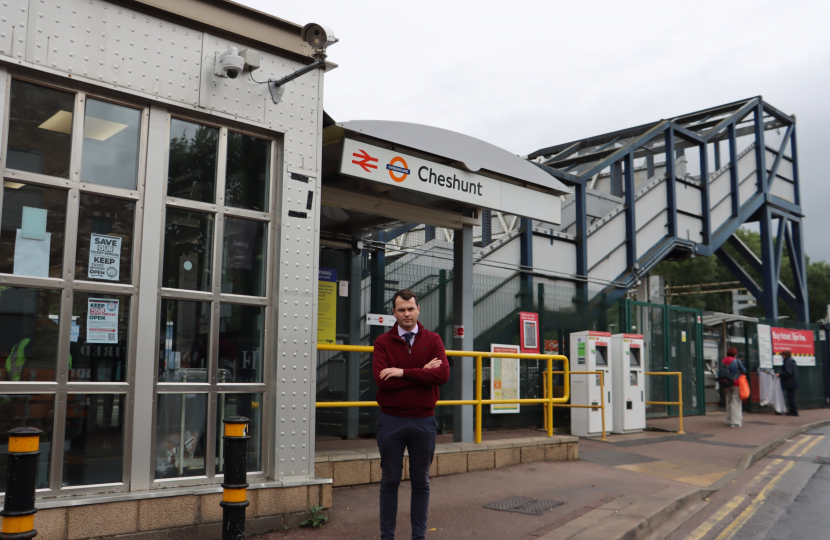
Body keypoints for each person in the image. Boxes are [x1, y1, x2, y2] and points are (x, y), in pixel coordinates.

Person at [372, 289, 450, 540]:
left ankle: (419, 537)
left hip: (423, 420)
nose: (406, 313)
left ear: (418, 310)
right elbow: (383, 382)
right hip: (391, 421)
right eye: (401, 309)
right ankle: (387, 537)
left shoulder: (434, 339)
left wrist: (402, 372)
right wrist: (421, 372)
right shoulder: (383, 343)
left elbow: (442, 376)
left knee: (421, 482)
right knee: (389, 481)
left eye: (410, 308)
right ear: (393, 313)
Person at [722, 347, 746, 427]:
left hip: (727, 383)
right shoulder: (736, 361)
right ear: (735, 354)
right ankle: (735, 422)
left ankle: (729, 420)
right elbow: (744, 370)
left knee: (729, 401)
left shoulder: (723, 361)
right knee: (736, 402)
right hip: (736, 383)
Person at [777, 350, 799, 416]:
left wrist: (780, 374)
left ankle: (794, 411)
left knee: (790, 397)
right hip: (793, 382)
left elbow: (788, 373)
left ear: (784, 355)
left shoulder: (787, 362)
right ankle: (793, 410)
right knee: (791, 396)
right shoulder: (792, 361)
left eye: (782, 356)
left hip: (790, 382)